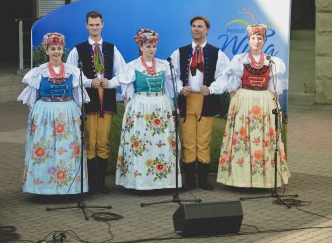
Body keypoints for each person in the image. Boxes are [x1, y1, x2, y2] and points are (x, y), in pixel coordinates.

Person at [216, 24, 291, 188]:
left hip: (264, 101)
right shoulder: (239, 60)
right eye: (253, 38)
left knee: (263, 138)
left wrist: (275, 108)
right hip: (244, 101)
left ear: (264, 40)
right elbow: (232, 86)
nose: (256, 41)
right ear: (248, 40)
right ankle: (240, 179)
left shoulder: (272, 62)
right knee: (243, 138)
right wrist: (235, 106)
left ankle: (263, 180)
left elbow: (274, 87)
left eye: (259, 38)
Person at [17, 32, 90, 195]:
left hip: (67, 114)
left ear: (63, 50)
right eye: (53, 48)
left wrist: (77, 117)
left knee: (67, 150)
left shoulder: (73, 71)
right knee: (45, 149)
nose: (56, 52)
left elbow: (79, 99)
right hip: (45, 116)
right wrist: (33, 121)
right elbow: (31, 99)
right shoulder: (38, 72)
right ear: (46, 50)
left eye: (59, 48)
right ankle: (43, 187)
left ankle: (69, 187)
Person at [67, 11, 126, 194]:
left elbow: (123, 72)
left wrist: (111, 83)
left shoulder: (111, 48)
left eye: (97, 24)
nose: (94, 27)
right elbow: (72, 73)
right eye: (91, 25)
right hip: (88, 99)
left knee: (103, 140)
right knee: (90, 141)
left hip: (106, 99)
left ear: (102, 25)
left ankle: (101, 182)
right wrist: (89, 81)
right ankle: (90, 182)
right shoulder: (78, 49)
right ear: (86, 26)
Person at [115, 28, 181, 190]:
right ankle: (140, 182)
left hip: (161, 106)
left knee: (161, 142)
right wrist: (128, 112)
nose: (151, 50)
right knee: (142, 143)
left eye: (153, 46)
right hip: (141, 107)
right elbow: (127, 92)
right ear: (141, 47)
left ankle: (164, 181)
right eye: (148, 46)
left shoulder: (164, 65)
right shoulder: (133, 66)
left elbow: (171, 87)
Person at [170, 15, 230, 191]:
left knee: (204, 140)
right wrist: (181, 88)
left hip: (206, 101)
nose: (196, 29)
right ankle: (189, 181)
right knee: (188, 140)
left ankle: (203, 180)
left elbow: (224, 77)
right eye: (194, 26)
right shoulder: (179, 52)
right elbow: (171, 76)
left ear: (207, 30)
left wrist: (211, 89)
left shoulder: (216, 53)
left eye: (200, 26)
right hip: (187, 100)